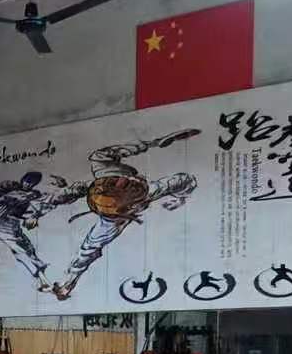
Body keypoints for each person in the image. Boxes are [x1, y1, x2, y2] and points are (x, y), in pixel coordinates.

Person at [42, 129, 200, 301]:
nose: (125, 182)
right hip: (116, 211)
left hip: (123, 205)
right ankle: (68, 284)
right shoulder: (106, 181)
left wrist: (180, 199)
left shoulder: (139, 188)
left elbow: (185, 180)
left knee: (88, 249)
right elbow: (185, 180)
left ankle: (67, 284)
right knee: (88, 249)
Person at [0, 170, 71, 281]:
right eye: (26, 181)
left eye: (31, 183)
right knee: (20, 247)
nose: (28, 184)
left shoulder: (33, 194)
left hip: (6, 222)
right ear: (22, 179)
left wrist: (62, 187)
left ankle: (40, 275)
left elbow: (45, 201)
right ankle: (39, 274)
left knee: (25, 247)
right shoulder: (10, 185)